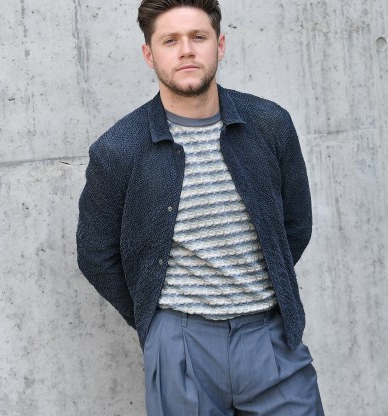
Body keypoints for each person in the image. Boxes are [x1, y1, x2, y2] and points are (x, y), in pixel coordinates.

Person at [76, 0, 324, 414]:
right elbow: (95, 254)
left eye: (198, 37)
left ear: (219, 45)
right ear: (149, 54)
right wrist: (156, 322)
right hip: (180, 345)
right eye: (170, 40)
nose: (186, 51)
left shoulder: (269, 124)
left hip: (271, 337)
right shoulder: (118, 150)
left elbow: (295, 225)